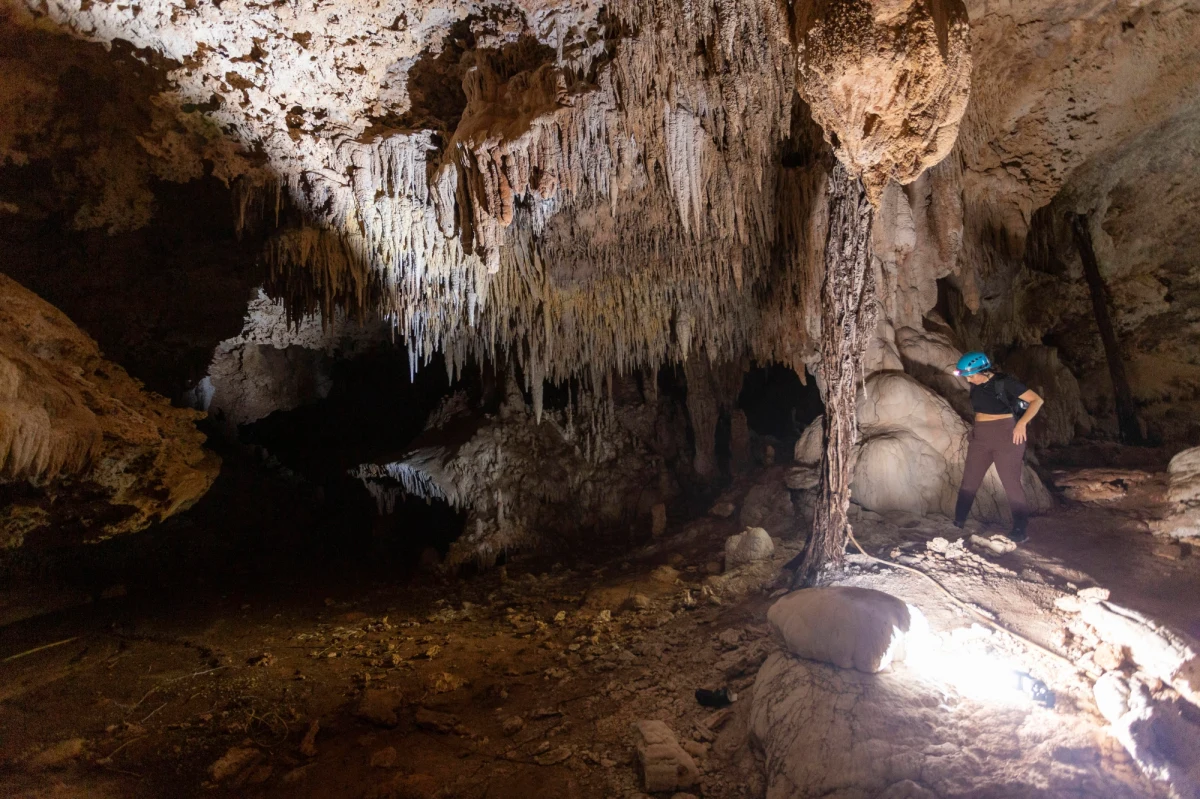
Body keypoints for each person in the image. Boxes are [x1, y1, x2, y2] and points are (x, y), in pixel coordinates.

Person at [952, 352, 1045, 542]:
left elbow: (1037, 400)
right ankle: (958, 522)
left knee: (1011, 484)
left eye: (971, 375)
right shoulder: (976, 384)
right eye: (966, 376)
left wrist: (1021, 424)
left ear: (983, 371)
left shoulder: (1004, 382)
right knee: (969, 481)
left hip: (1006, 436)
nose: (969, 380)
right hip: (981, 437)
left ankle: (1020, 529)